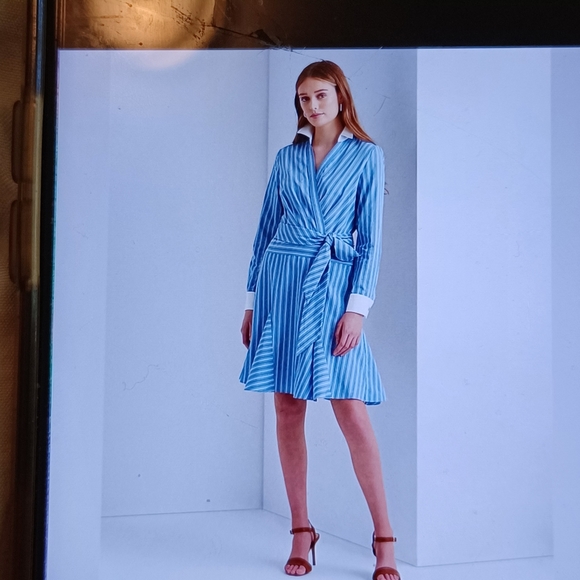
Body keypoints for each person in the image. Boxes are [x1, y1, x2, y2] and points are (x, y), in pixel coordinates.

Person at [239, 60, 400, 580]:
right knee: (287, 407)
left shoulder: (367, 156)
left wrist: (357, 309)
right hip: (281, 285)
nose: (312, 105)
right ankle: (301, 530)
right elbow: (266, 230)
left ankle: (384, 537)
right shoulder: (287, 158)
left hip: (333, 287)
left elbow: (370, 240)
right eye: (304, 98)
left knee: (350, 409)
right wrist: (252, 301)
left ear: (340, 96)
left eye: (320, 95)